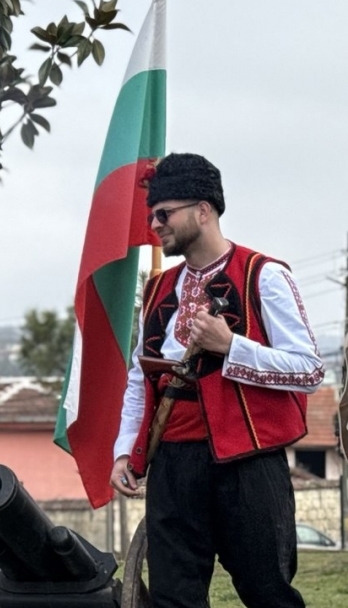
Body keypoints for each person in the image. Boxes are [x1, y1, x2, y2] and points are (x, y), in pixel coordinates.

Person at [109, 153, 324, 607]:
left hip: (246, 462)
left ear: (203, 210)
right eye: (152, 215)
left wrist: (232, 346)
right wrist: (125, 450)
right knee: (173, 599)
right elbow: (138, 378)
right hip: (172, 464)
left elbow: (309, 369)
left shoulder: (263, 275)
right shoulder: (157, 290)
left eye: (164, 213)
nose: (155, 224)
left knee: (268, 593)